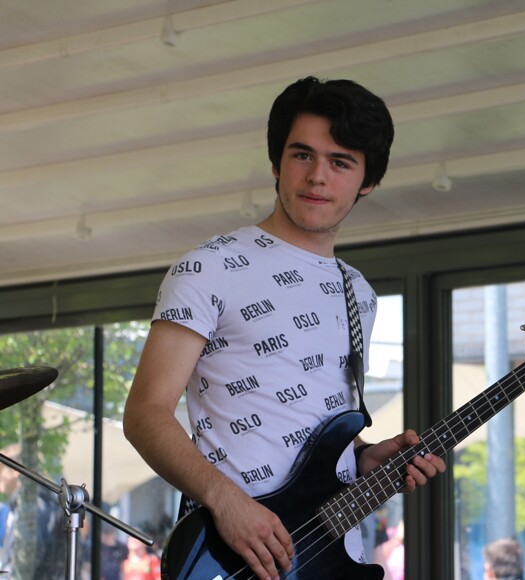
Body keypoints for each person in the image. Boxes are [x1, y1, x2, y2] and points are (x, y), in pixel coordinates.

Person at [123, 76, 445, 580]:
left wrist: (363, 457)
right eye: (302, 155)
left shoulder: (357, 292)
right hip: (229, 558)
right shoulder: (209, 267)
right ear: (277, 163)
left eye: (341, 162)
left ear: (367, 182)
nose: (317, 176)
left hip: (329, 557)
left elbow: (308, 420)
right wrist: (227, 502)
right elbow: (145, 413)